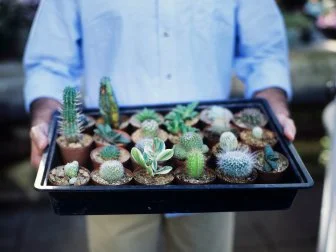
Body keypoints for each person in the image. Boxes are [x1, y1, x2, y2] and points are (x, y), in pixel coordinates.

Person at [24, 1, 296, 251]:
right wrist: (45, 118)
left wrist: (275, 106)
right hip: (112, 184)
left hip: (210, 175)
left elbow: (265, 53)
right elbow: (50, 62)